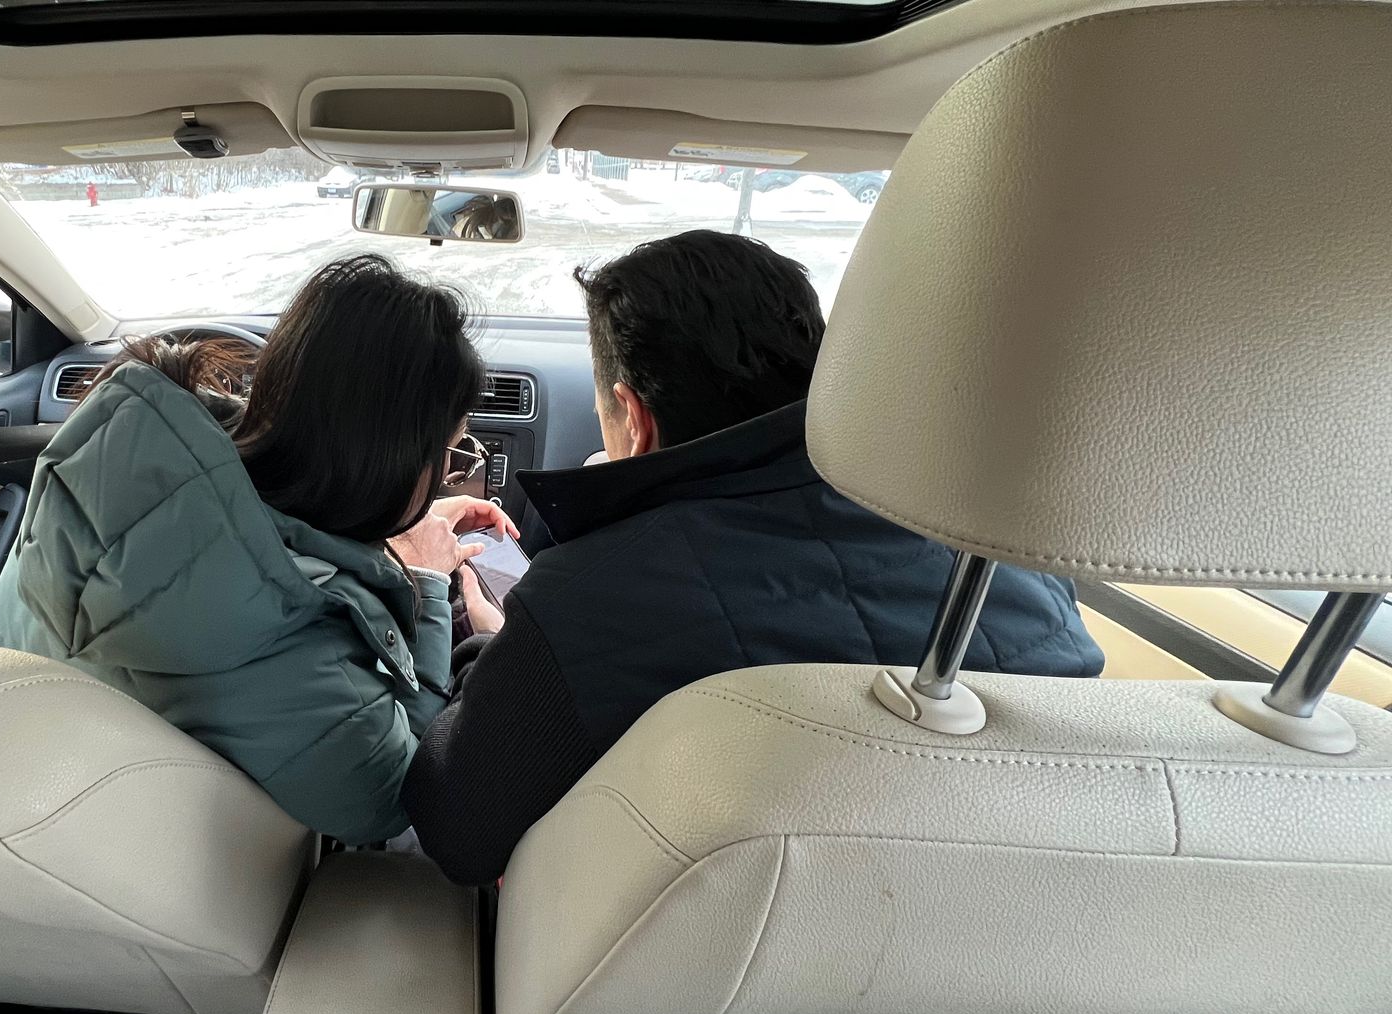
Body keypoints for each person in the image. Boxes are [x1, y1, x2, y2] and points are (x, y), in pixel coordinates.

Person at [403, 229, 1105, 886]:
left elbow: (455, 830)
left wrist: (491, 648)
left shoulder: (586, 602)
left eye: (603, 418)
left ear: (635, 418)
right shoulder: (1005, 557)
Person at [0, 254, 514, 846]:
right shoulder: (290, 641)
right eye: (449, 453)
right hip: (182, 875)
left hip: (35, 806)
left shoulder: (99, 487)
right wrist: (427, 582)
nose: (446, 474)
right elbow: (398, 797)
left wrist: (383, 528)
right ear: (390, 462)